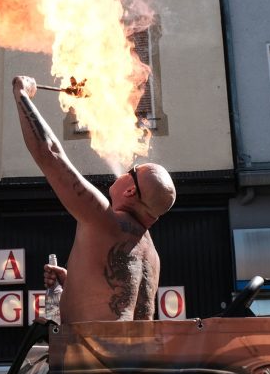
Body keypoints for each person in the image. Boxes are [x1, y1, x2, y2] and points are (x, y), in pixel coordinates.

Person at [12, 75, 176, 323]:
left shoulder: (105, 220)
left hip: (91, 359)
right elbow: (121, 301)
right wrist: (74, 281)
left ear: (131, 192)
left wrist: (22, 95)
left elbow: (50, 153)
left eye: (134, 171)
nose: (127, 168)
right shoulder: (150, 252)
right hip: (135, 358)